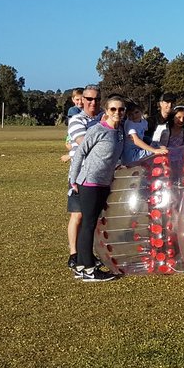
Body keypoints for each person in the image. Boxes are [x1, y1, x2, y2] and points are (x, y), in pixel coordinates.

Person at [67, 94, 128, 282]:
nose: (117, 113)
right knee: (88, 224)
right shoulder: (98, 129)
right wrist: (73, 180)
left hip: (104, 183)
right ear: (106, 111)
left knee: (91, 225)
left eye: (121, 109)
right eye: (113, 109)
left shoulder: (119, 132)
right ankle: (88, 269)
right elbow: (80, 153)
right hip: (89, 182)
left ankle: (81, 266)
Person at [63, 85, 102, 268]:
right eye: (89, 99)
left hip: (101, 175)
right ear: (82, 100)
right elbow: (86, 144)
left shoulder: (104, 118)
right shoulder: (77, 120)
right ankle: (74, 254)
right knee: (77, 215)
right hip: (81, 175)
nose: (93, 102)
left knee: (92, 217)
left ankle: (88, 253)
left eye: (96, 99)